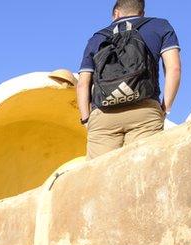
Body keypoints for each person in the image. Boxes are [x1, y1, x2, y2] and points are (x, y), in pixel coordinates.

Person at [77, 0, 181, 159]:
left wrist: (86, 120)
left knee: (101, 179)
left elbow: (83, 84)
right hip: (145, 111)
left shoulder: (97, 38)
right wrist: (164, 108)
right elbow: (174, 69)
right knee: (144, 174)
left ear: (116, 13)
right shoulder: (160, 26)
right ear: (142, 13)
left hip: (104, 116)